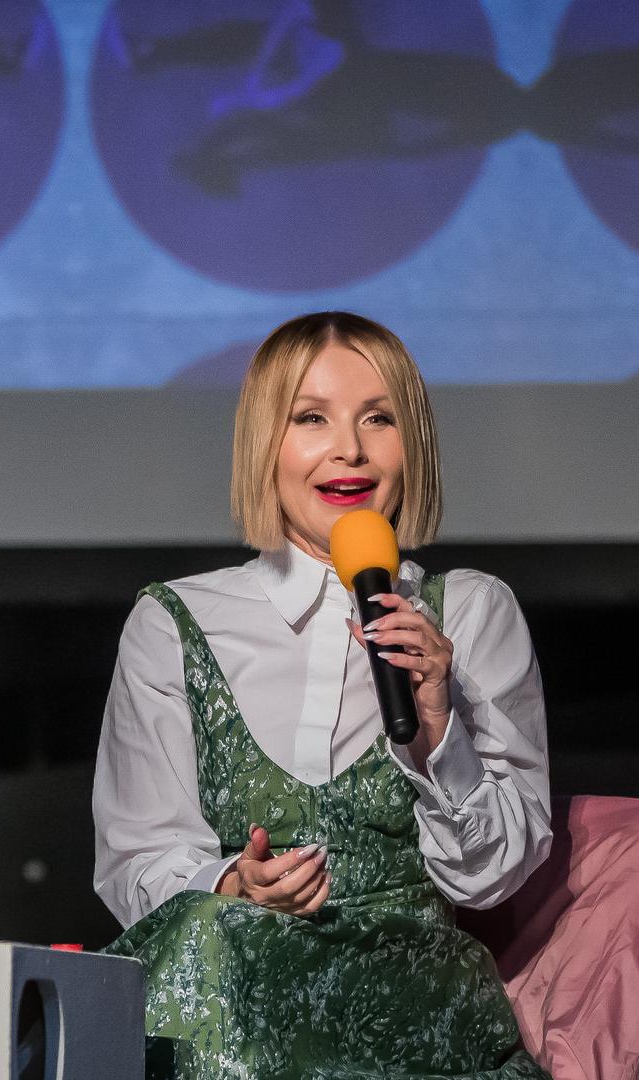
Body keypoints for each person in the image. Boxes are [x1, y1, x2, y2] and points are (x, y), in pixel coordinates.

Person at [93, 312, 551, 1078]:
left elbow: (489, 879)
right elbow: (137, 859)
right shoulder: (173, 621)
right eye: (311, 419)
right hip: (233, 995)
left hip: (414, 1011)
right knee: (204, 947)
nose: (350, 449)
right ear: (264, 444)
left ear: (412, 445)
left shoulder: (471, 611)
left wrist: (436, 735)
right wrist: (231, 884)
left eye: (378, 418)